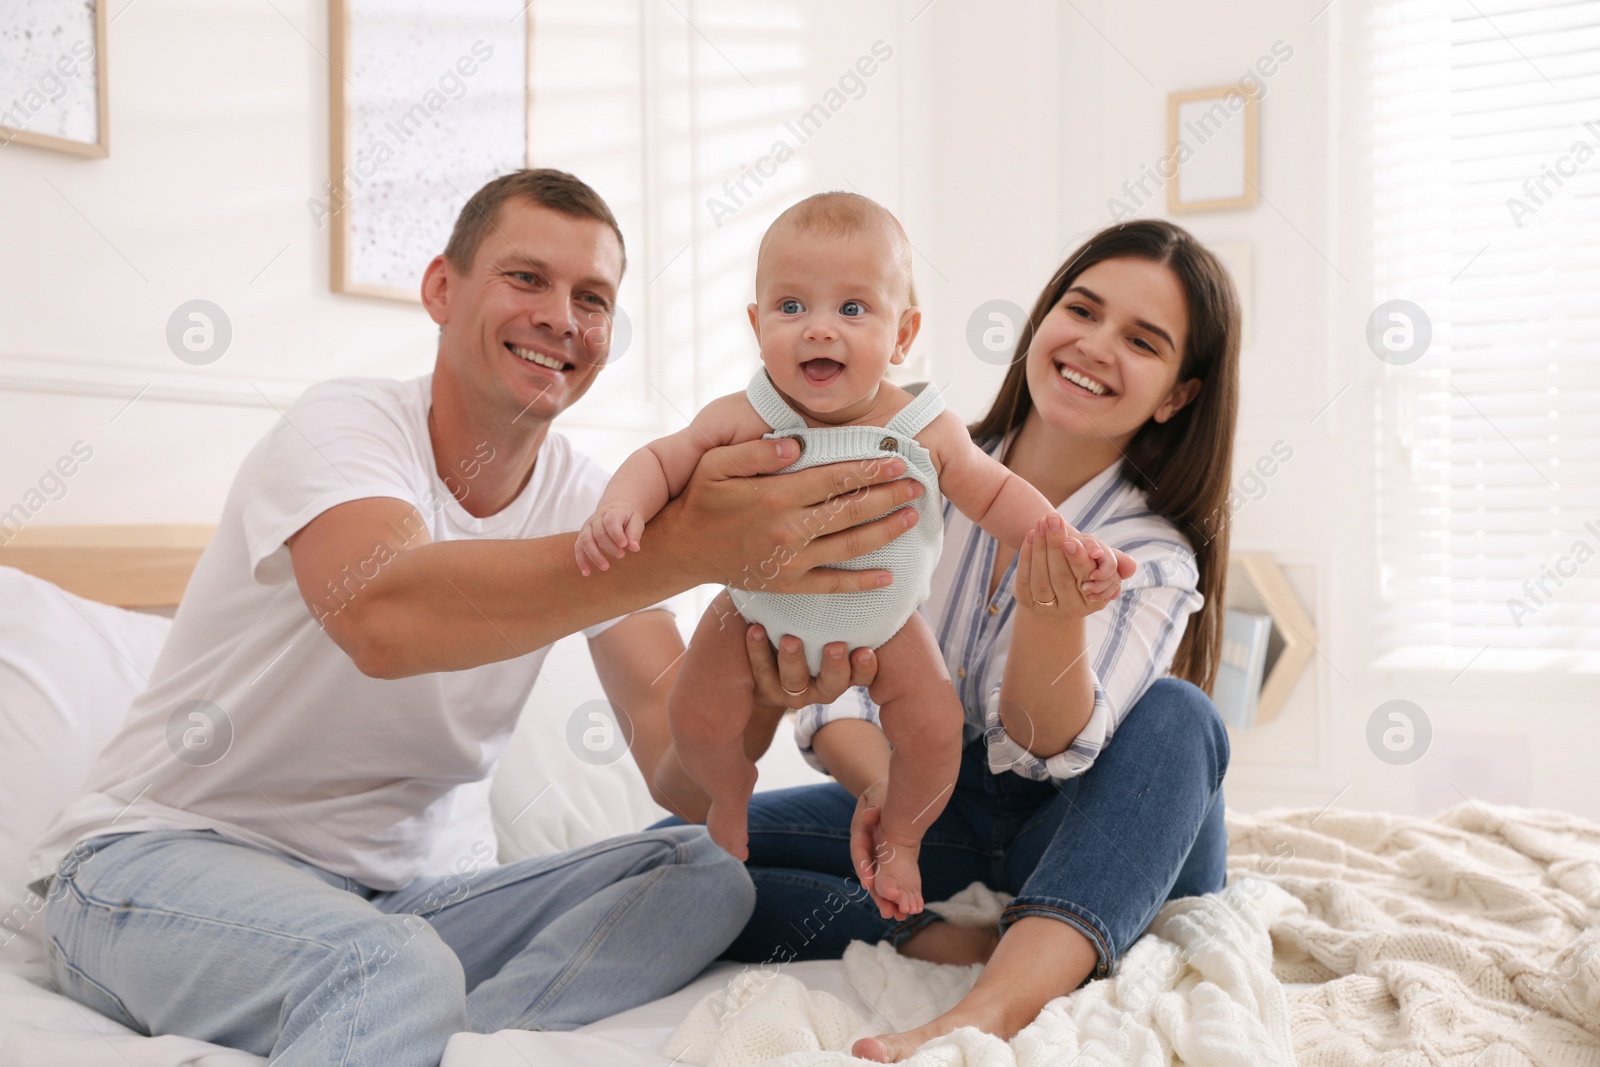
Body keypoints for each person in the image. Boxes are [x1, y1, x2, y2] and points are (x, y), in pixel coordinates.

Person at [26, 169, 923, 1067]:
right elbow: (382, 615)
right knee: (396, 965)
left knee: (701, 875)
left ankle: (444, 1036)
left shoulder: (589, 496)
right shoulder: (346, 426)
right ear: (442, 289)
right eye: (526, 278)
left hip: (404, 902)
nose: (562, 317)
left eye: (593, 299)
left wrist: (757, 673)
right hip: (155, 866)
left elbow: (674, 770)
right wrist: (691, 546)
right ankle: (402, 1004)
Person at [723, 218, 1241, 1062]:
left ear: (1177, 394)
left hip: (1095, 823)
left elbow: (1044, 750)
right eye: (1082, 309)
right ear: (1042, 323)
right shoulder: (916, 461)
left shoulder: (1152, 554)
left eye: (1142, 341)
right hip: (948, 797)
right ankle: (945, 936)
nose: (1096, 345)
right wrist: (890, 795)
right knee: (695, 859)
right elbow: (847, 669)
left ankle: (992, 1005)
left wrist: (1053, 618)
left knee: (1182, 715)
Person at [575, 192, 1129, 919]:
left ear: (904, 333)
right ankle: (728, 789)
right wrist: (620, 507)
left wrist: (1063, 540)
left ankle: (900, 839)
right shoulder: (746, 414)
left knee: (933, 735)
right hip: (749, 612)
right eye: (792, 307)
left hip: (887, 625)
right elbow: (662, 458)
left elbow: (995, 495)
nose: (819, 330)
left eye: (853, 310)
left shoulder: (923, 425)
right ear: (756, 324)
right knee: (694, 715)